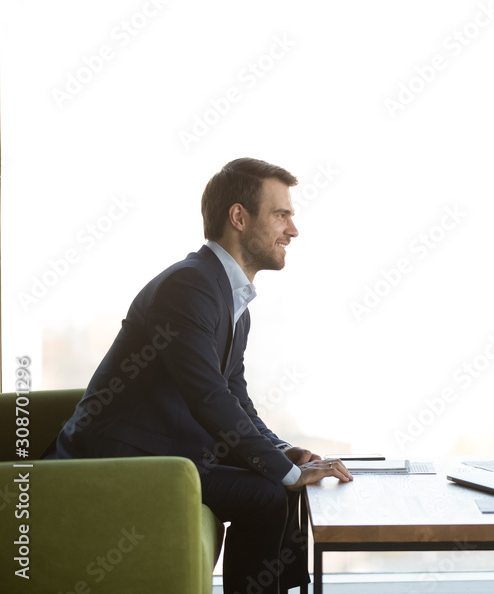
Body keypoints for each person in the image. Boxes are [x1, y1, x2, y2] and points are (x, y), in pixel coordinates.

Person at [50, 158, 353, 594]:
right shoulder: (189, 286)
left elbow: (235, 395)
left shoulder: (229, 299)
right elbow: (208, 397)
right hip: (123, 459)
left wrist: (282, 450)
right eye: (281, 214)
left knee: (279, 482)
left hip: (172, 450)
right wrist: (281, 470)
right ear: (238, 217)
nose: (293, 229)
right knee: (271, 491)